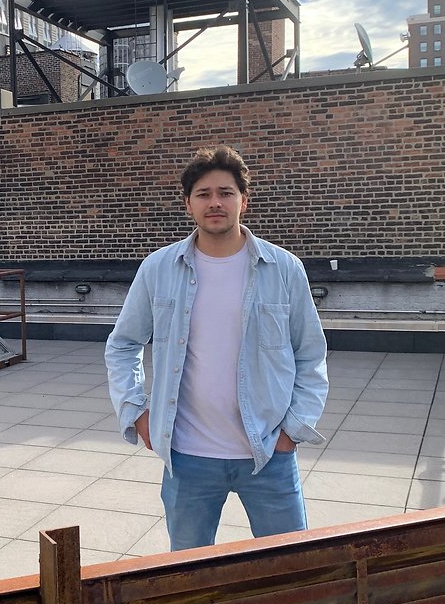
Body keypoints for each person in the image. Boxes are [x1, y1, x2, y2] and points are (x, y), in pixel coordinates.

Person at [105, 145, 328, 550]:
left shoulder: (284, 268)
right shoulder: (158, 268)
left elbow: (310, 354)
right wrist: (134, 411)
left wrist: (292, 431)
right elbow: (123, 344)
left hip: (268, 452)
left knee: (290, 565)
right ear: (188, 203)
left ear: (244, 200)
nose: (215, 203)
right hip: (187, 457)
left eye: (225, 193)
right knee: (189, 570)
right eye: (204, 194)